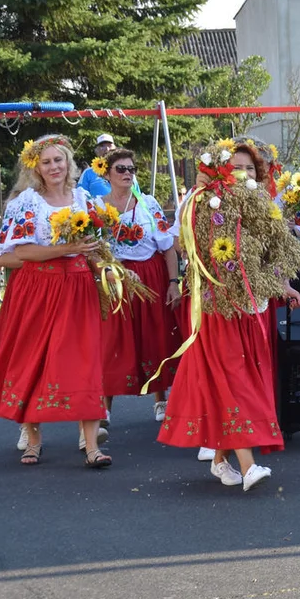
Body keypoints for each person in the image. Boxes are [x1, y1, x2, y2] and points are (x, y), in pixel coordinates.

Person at [156, 139, 300, 492]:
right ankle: (248, 464)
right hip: (217, 306)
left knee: (245, 379)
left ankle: (222, 458)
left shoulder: (264, 208)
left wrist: (281, 284)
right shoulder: (201, 203)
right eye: (235, 167)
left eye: (249, 168)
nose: (242, 173)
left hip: (254, 308)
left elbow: (273, 255)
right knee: (234, 379)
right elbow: (186, 246)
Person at [0, 134, 111, 468]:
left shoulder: (83, 199)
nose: (54, 167)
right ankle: (33, 441)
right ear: (37, 167)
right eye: (47, 162)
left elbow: (94, 248)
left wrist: (110, 273)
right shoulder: (26, 203)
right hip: (37, 290)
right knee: (32, 361)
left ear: (68, 163)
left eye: (59, 160)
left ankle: (91, 445)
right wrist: (66, 250)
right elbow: (18, 253)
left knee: (85, 361)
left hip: (78, 290)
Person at [100, 148, 181, 424]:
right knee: (113, 338)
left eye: (131, 169)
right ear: (107, 173)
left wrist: (173, 282)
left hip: (150, 275)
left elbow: (168, 246)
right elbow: (95, 249)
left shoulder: (148, 204)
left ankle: (160, 399)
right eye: (120, 169)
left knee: (154, 334)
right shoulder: (98, 207)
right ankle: (104, 406)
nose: (127, 174)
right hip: (116, 277)